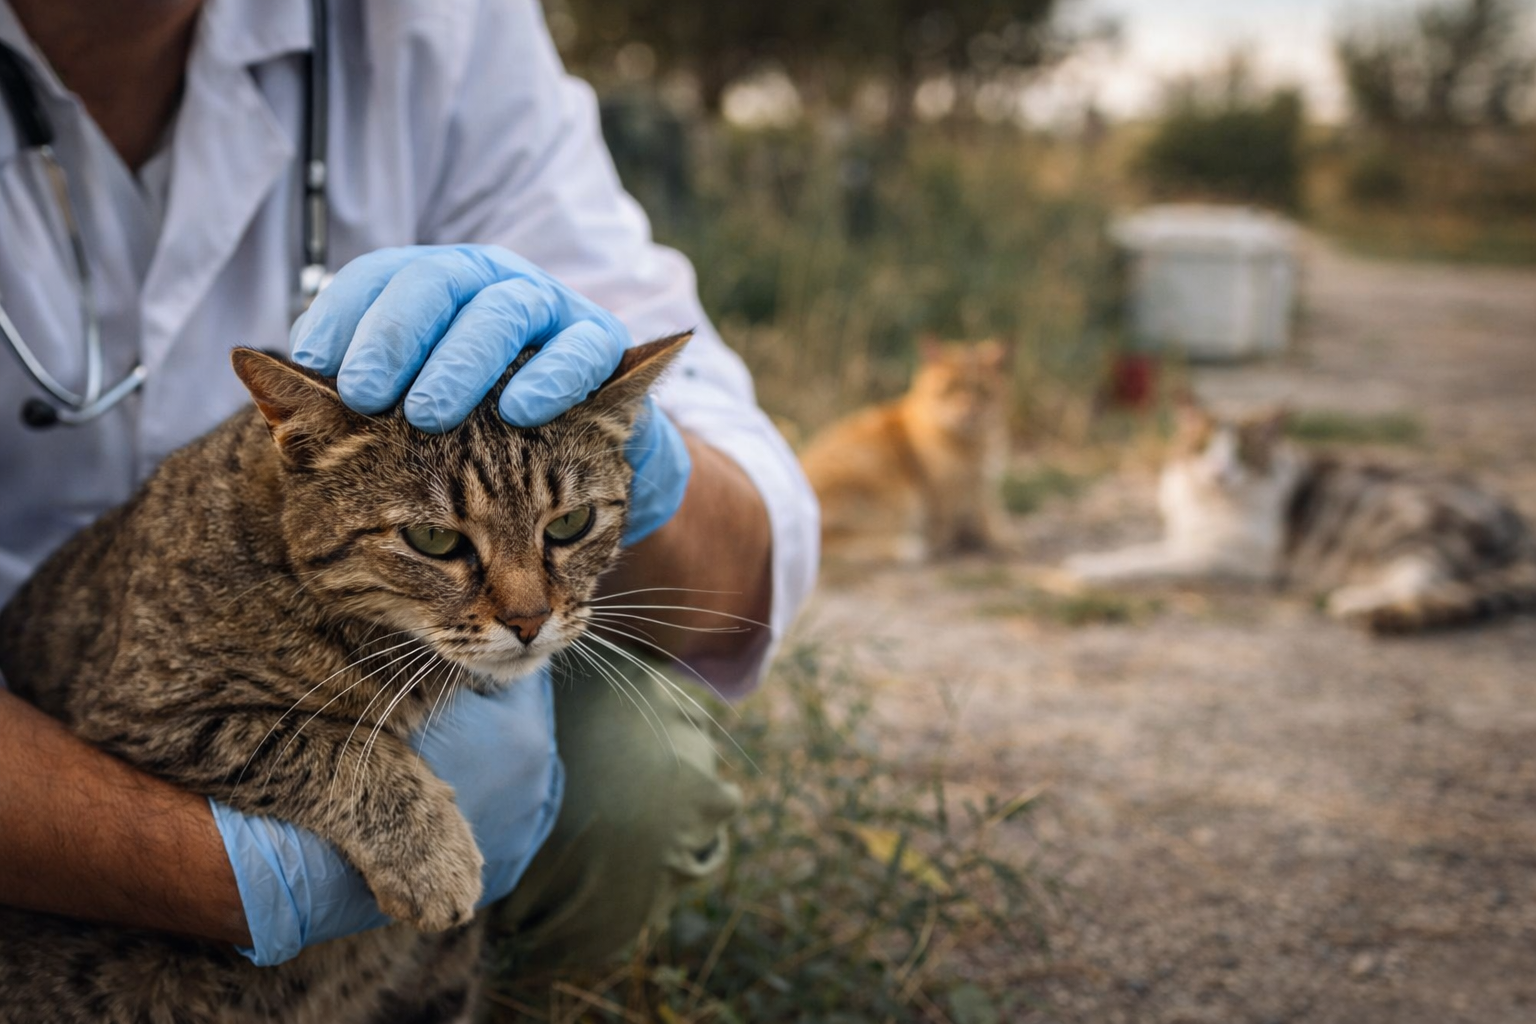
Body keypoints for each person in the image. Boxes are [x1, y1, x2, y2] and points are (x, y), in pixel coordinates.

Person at [0, 0, 817, 972]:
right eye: (445, 542)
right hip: (74, 704)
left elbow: (750, 559)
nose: (519, 608)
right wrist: (237, 874)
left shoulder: (441, 23)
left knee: (637, 786)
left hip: (383, 610)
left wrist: (641, 457)